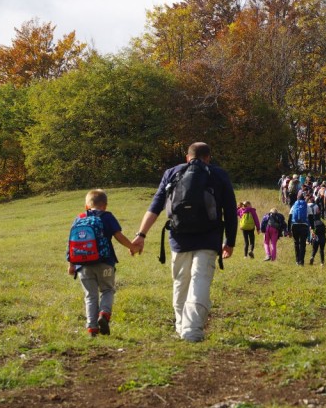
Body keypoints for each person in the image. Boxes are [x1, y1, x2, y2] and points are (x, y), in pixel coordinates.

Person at [130, 142, 237, 342]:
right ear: (208, 158)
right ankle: (193, 329)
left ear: (187, 157)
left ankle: (181, 326)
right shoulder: (219, 174)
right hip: (208, 237)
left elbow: (156, 205)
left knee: (181, 282)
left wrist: (141, 234)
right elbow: (230, 211)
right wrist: (229, 241)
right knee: (200, 279)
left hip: (179, 237)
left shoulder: (172, 173)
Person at [67, 189, 137, 336]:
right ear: (105, 205)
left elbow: (71, 242)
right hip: (105, 262)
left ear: (86, 206)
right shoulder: (107, 217)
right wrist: (132, 246)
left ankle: (92, 328)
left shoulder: (79, 219)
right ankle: (104, 314)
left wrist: (71, 264)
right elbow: (118, 236)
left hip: (83, 265)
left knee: (90, 296)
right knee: (107, 290)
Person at [288, 193, 310, 266]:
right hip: (304, 226)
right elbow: (311, 218)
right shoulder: (306, 206)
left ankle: (297, 260)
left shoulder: (294, 206)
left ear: (297, 198)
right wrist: (312, 228)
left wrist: (289, 230)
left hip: (295, 226)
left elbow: (289, 218)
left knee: (296, 243)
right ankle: (301, 261)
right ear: (304, 198)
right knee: (303, 244)